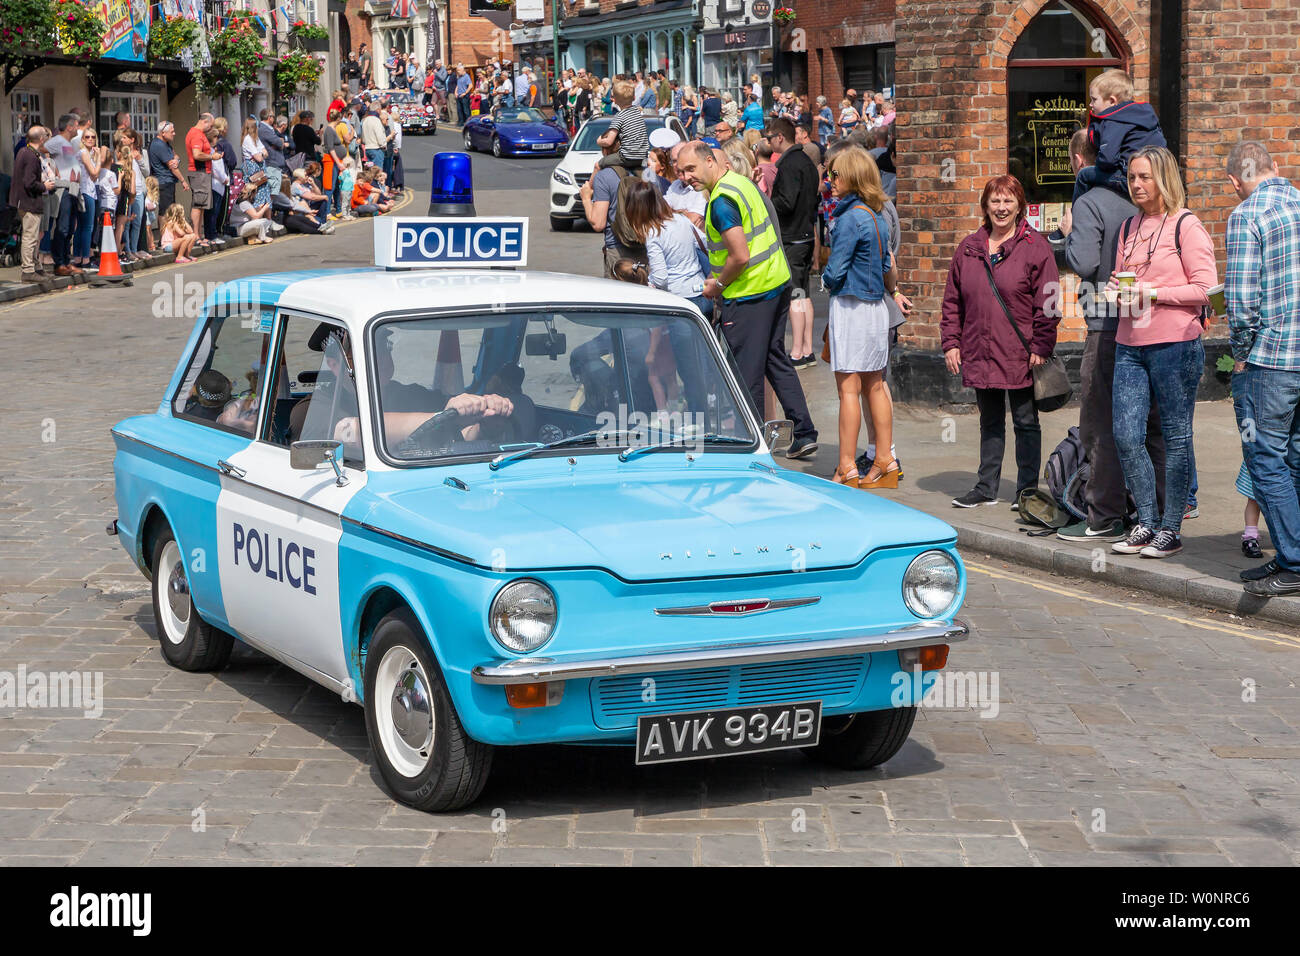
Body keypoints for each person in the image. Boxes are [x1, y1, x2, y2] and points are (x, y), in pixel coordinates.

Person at [1105, 146, 1216, 559]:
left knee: (1175, 437)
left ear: (1163, 178)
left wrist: (1154, 292)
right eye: (1132, 177)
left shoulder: (1186, 225)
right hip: (1130, 344)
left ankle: (1171, 527)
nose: (1136, 184)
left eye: (1144, 177)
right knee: (1126, 435)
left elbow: (1206, 289)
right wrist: (1118, 292)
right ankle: (1146, 522)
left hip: (1175, 344)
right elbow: (1126, 285)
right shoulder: (1128, 227)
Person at [676, 141, 818, 459]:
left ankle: (750, 446)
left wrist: (718, 285)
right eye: (682, 171)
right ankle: (804, 432)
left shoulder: (722, 200)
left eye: (691, 169)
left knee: (746, 373)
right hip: (776, 283)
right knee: (774, 360)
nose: (686, 177)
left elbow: (739, 255)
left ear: (710, 161)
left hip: (749, 294)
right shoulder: (740, 183)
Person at [1054, 128, 1153, 543]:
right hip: (1145, 323)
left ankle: (1102, 513)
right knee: (1147, 424)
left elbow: (1085, 260)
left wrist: (1067, 233)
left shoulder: (1089, 202)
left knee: (1098, 422)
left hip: (1103, 321)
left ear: (1080, 161)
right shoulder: (1140, 201)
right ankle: (1155, 509)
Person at [941, 175, 1061, 508]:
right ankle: (985, 487)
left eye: (1008, 201)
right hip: (980, 349)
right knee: (989, 420)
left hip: (1020, 352)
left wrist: (1042, 345)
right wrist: (951, 342)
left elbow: (1049, 301)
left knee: (1025, 421)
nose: (1001, 208)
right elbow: (953, 300)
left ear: (1020, 205)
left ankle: (1026, 490)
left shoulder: (1036, 247)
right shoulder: (969, 248)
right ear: (985, 206)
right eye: (995, 201)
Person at [1225, 140, 1300, 594]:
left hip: (1269, 361)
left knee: (1265, 459)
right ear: (1275, 167)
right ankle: (1292, 552)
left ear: (1236, 181)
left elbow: (1241, 302)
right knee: (1294, 459)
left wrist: (1239, 353)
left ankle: (1293, 560)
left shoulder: (1247, 215)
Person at [822, 147, 909, 489]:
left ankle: (846, 466)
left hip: (850, 307)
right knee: (875, 384)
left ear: (852, 178)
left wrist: (825, 280)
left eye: (836, 174)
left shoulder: (848, 218)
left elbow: (836, 269)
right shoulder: (876, 216)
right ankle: (885, 459)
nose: (830, 180)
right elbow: (888, 266)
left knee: (847, 390)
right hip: (876, 310)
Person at [766, 118, 820, 370]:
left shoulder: (788, 165)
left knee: (795, 295)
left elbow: (785, 202)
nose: (767, 142)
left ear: (779, 137)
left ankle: (798, 352)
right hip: (805, 235)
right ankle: (807, 348)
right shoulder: (806, 161)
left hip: (793, 237)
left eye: (769, 137)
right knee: (803, 294)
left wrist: (766, 201)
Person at [1075, 69, 1166, 204]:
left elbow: (1108, 159)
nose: (1090, 105)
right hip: (1157, 178)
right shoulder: (1143, 116)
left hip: (1129, 179)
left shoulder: (1114, 120)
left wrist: (1099, 162)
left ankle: (1075, 215)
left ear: (1112, 101)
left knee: (1084, 175)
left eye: (1094, 100)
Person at [580, 137, 645, 277]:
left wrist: (586, 199)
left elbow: (598, 223)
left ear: (605, 150)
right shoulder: (645, 172)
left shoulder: (605, 176)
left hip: (617, 249)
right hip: (646, 245)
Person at [44, 113, 83, 276]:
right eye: (76, 125)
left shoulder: (67, 143)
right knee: (63, 227)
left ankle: (67, 262)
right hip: (63, 190)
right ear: (69, 127)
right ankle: (59, 263)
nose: (77, 128)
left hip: (73, 189)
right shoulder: (57, 141)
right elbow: (40, 149)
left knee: (70, 228)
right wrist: (49, 167)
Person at [10, 126, 50, 281]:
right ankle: (28, 271)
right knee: (30, 237)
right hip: (29, 201)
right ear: (41, 139)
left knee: (32, 236)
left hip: (23, 200)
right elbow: (29, 182)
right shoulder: (32, 157)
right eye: (46, 135)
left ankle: (36, 267)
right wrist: (44, 186)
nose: (47, 137)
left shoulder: (24, 152)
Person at [597, 79, 649, 173]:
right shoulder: (637, 113)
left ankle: (589, 187)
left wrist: (599, 141)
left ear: (615, 100)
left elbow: (609, 141)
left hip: (626, 156)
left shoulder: (620, 116)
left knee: (598, 165)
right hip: (643, 157)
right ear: (634, 98)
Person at [72, 127, 105, 268]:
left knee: (82, 227)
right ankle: (85, 259)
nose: (90, 139)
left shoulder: (89, 153)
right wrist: (98, 160)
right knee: (87, 227)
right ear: (82, 140)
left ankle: (79, 258)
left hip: (88, 191)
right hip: (85, 192)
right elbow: (94, 174)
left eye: (93, 137)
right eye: (87, 137)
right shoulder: (84, 153)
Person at [184, 113, 215, 249]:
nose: (211, 128)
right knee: (198, 204)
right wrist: (212, 157)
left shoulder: (198, 133)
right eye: (211, 125)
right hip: (199, 172)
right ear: (204, 122)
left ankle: (199, 234)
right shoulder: (196, 134)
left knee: (201, 205)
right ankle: (196, 235)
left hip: (202, 173)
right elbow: (197, 154)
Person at [148, 120, 189, 220]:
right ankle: (164, 235)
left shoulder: (165, 144)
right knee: (165, 212)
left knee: (169, 211)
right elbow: (172, 167)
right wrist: (183, 181)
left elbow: (176, 156)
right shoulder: (159, 145)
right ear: (163, 132)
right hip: (164, 182)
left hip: (167, 182)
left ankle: (168, 234)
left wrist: (177, 160)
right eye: (172, 131)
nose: (174, 134)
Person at [206, 127, 231, 242]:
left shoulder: (212, 151)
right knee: (213, 212)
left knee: (214, 212)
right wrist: (225, 179)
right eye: (216, 137)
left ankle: (212, 235)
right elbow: (215, 170)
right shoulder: (211, 153)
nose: (218, 139)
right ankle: (212, 236)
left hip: (218, 185)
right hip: (216, 185)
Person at [241, 118, 271, 208]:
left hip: (260, 170)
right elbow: (259, 158)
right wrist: (261, 154)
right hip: (253, 170)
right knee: (257, 194)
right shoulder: (247, 139)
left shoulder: (256, 139)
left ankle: (267, 219)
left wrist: (261, 154)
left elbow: (266, 153)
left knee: (265, 194)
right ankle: (258, 217)